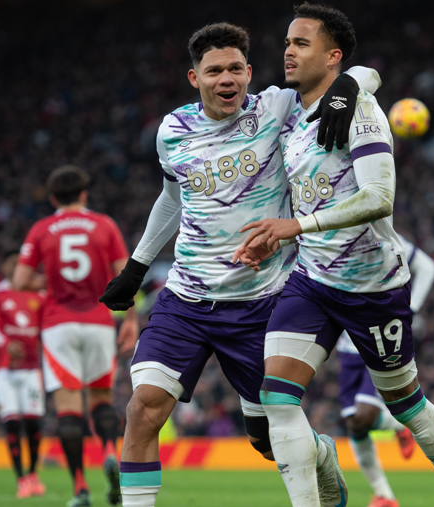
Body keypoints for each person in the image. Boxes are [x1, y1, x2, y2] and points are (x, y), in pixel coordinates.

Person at [96, 22, 381, 507]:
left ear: (248, 73)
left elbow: (364, 73)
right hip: (185, 298)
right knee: (143, 409)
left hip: (259, 303)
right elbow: (170, 201)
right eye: (214, 71)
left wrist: (348, 88)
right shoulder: (174, 130)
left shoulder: (277, 106)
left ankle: (322, 455)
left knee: (269, 440)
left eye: (234, 69)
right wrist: (137, 267)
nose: (225, 78)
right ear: (195, 78)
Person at [234, 4, 434, 506]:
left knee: (406, 405)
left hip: (373, 284)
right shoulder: (291, 113)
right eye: (287, 41)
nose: (287, 50)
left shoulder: (360, 110)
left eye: (301, 43)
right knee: (276, 397)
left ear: (331, 56)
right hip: (311, 281)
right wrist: (274, 236)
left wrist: (295, 226)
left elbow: (379, 198)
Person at [14, 166, 138, 507]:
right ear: (84, 194)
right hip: (100, 321)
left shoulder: (42, 229)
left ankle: (81, 490)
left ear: (53, 198)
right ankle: (110, 452)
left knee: (69, 409)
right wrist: (131, 320)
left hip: (59, 324)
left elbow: (21, 280)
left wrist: (49, 282)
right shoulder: (104, 225)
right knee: (102, 398)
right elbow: (127, 275)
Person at [336, 236, 434, 507]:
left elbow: (427, 266)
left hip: (380, 341)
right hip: (346, 348)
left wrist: (411, 307)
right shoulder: (329, 238)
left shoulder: (384, 235)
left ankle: (402, 428)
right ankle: (385, 496)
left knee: (365, 414)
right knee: (355, 424)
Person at [0, 249, 47, 499]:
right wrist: (5, 344)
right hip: (5, 370)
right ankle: (20, 478)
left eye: (21, 263)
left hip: (32, 369)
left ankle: (33, 474)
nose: (17, 267)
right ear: (4, 266)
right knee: (11, 422)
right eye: (12, 262)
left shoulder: (37, 294)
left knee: (33, 423)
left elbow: (46, 327)